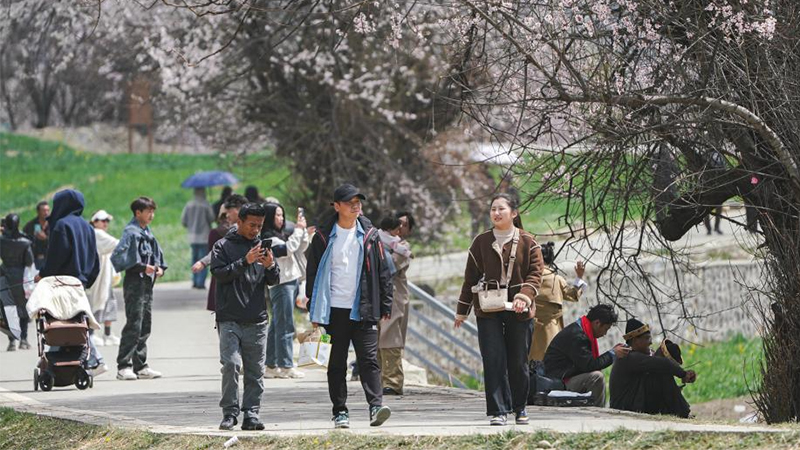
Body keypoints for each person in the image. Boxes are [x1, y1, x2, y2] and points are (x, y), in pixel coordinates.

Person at [305, 183, 393, 429]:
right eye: (349, 203)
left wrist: (386, 303)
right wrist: (313, 307)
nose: (356, 206)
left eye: (358, 202)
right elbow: (313, 273)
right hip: (334, 310)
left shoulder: (370, 235)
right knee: (336, 363)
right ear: (336, 206)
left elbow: (383, 271)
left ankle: (376, 406)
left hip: (364, 307)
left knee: (369, 360)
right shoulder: (323, 237)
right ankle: (340, 412)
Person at [455, 193, 544, 426]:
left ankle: (520, 407)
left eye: (501, 209)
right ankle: (498, 411)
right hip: (488, 309)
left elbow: (536, 274)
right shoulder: (480, 242)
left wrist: (524, 296)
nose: (496, 213)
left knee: (518, 362)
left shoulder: (529, 242)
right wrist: (462, 311)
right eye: (493, 209)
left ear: (514, 213)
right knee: (493, 360)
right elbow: (470, 278)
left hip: (519, 310)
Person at [211, 202, 281, 431]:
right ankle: (230, 413)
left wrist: (270, 266)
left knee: (255, 370)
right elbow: (219, 274)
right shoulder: (222, 246)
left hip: (257, 318)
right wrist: (245, 261)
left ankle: (251, 413)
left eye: (259, 226)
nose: (255, 230)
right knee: (231, 364)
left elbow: (274, 280)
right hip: (229, 317)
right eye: (251, 225)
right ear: (239, 221)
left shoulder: (262, 247)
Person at [36, 189, 105, 375]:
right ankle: (71, 361)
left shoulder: (61, 225)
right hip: (80, 284)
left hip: (62, 284)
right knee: (78, 324)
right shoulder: (88, 227)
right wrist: (86, 281)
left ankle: (94, 359)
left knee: (59, 325)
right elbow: (95, 261)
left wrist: (42, 275)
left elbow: (56, 257)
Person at [111, 197, 167, 381]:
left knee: (145, 325)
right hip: (134, 283)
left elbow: (157, 256)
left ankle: (140, 365)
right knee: (134, 324)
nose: (152, 215)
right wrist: (143, 267)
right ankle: (123, 366)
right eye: (148, 211)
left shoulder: (147, 232)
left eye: (153, 211)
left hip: (147, 284)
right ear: (138, 213)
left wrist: (160, 268)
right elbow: (120, 257)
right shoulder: (131, 232)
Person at [543, 304, 629, 407]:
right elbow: (590, 365)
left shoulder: (581, 330)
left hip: (563, 378)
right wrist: (613, 354)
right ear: (597, 323)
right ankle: (597, 412)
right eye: (605, 329)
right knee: (596, 377)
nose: (605, 334)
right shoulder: (578, 336)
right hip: (558, 382)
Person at [261, 202, 310, 379]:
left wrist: (303, 232)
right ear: (269, 217)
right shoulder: (268, 238)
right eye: (277, 215)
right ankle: (286, 365)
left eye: (282, 215)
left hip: (289, 282)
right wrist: (298, 230)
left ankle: (271, 365)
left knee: (277, 325)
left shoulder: (280, 235)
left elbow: (299, 248)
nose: (281, 219)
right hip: (281, 284)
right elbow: (287, 250)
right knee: (286, 325)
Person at [609, 319, 696, 417]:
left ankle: (678, 412)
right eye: (646, 338)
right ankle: (683, 413)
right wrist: (683, 374)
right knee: (662, 371)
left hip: (633, 403)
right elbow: (664, 364)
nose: (650, 342)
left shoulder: (637, 356)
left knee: (659, 370)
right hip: (624, 407)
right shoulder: (628, 357)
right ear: (635, 340)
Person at [377, 211, 415, 396]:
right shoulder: (379, 241)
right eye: (398, 223)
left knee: (391, 337)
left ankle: (392, 382)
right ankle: (377, 380)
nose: (400, 227)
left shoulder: (403, 247)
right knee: (376, 338)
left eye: (405, 225)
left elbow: (388, 266)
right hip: (377, 296)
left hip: (395, 297)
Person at [529, 242, 587, 361]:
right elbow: (574, 295)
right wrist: (579, 277)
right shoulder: (556, 279)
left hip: (529, 331)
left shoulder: (529, 278)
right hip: (552, 331)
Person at [193, 194, 248, 312]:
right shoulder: (233, 231)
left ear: (238, 210)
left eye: (229, 211)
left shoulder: (247, 229)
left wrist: (203, 262)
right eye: (225, 213)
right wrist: (203, 262)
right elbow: (218, 249)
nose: (227, 215)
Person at [86, 210, 121, 347]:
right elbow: (116, 244)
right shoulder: (96, 233)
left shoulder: (100, 233)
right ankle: (92, 334)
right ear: (95, 222)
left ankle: (107, 334)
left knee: (109, 304)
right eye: (103, 220)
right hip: (98, 276)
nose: (106, 223)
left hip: (106, 276)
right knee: (97, 303)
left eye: (107, 221)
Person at [1, 214, 34, 351]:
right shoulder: (25, 242)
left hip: (4, 275)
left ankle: (12, 341)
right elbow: (29, 261)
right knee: (23, 309)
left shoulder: (2, 241)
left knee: (9, 309)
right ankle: (24, 339)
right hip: (21, 277)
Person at [182, 188, 215, 289]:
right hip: (204, 236)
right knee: (202, 260)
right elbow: (212, 218)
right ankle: (200, 282)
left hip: (192, 236)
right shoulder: (205, 204)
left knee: (194, 258)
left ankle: (195, 281)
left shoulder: (189, 205)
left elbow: (183, 221)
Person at [23, 201, 50, 270]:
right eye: (44, 211)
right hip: (34, 260)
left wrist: (46, 239)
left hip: (50, 259)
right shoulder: (30, 225)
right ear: (38, 212)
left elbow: (57, 241)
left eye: (48, 210)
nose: (46, 213)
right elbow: (24, 241)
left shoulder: (53, 224)